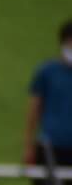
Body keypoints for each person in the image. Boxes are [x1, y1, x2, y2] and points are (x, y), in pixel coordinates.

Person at [24, 19, 72, 176]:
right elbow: (34, 110)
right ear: (63, 42)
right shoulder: (47, 72)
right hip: (50, 145)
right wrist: (29, 145)